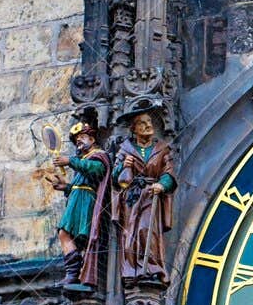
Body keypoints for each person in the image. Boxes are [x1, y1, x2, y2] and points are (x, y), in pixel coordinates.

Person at [111, 109, 177, 286]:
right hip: (131, 197)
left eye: (149, 122)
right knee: (129, 234)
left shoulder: (161, 149)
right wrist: (122, 166)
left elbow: (169, 173)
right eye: (142, 123)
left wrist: (162, 184)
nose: (149, 125)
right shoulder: (125, 150)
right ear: (134, 129)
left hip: (150, 194)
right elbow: (114, 178)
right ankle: (131, 270)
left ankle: (151, 267)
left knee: (147, 230)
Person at [51, 121, 109, 291]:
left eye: (82, 138)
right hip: (77, 198)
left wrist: (70, 161)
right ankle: (73, 274)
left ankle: (73, 274)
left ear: (92, 139)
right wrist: (66, 187)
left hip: (86, 201)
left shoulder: (98, 156)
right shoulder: (82, 161)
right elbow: (81, 181)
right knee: (66, 234)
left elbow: (96, 170)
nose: (79, 142)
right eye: (77, 141)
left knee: (69, 234)